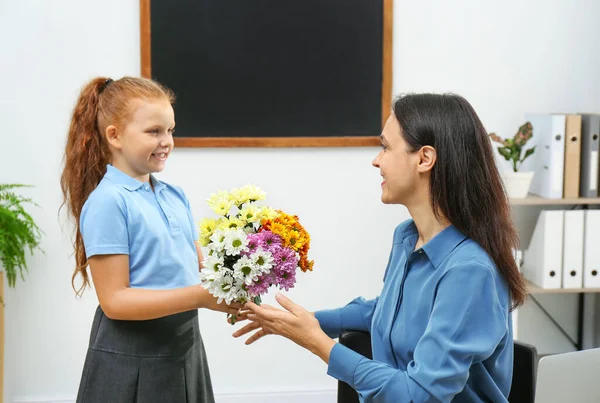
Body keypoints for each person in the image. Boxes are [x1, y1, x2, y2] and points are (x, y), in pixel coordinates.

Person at [233, 93, 528, 402]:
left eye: (386, 147)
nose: (376, 160)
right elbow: (389, 310)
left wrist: (317, 342)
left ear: (424, 159)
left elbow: (418, 395)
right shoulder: (407, 238)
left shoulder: (469, 271)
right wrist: (303, 321)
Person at [60, 76, 242, 403]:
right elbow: (115, 301)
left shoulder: (174, 195)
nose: (167, 141)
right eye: (154, 131)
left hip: (184, 346)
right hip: (131, 356)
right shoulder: (108, 202)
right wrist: (201, 296)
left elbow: (200, 270)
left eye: (170, 130)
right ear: (114, 135)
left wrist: (237, 283)